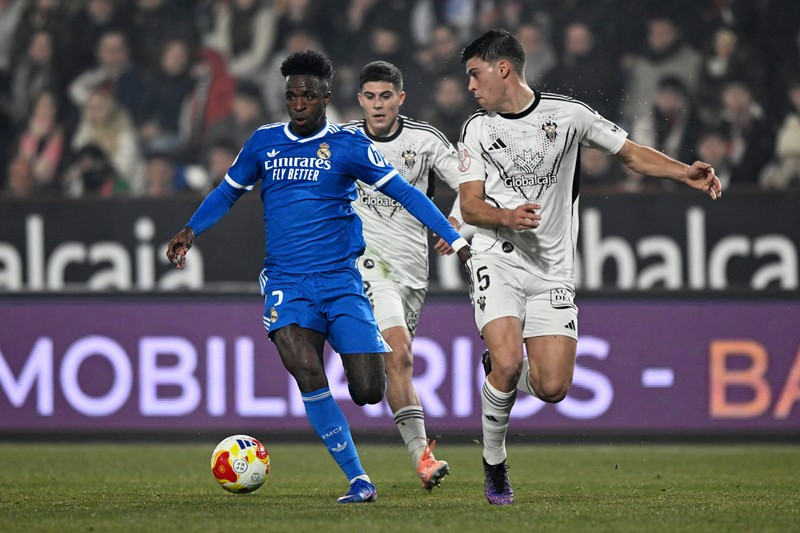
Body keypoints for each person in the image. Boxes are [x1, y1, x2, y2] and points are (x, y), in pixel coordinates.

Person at [165, 50, 470, 504]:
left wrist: (457, 241)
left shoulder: (349, 147)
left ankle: (367, 401)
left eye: (308, 95)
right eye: (292, 95)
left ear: (326, 97)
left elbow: (407, 194)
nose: (299, 103)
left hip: (342, 281)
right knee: (303, 365)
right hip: (288, 282)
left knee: (368, 389)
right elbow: (226, 194)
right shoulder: (264, 143)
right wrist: (191, 229)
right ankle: (358, 479)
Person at [457, 29, 721, 506]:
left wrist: (685, 172)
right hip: (499, 258)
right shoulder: (477, 128)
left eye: (475, 75)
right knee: (510, 361)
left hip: (554, 271)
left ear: (503, 69)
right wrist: (506, 217)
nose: (470, 87)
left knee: (552, 388)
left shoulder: (569, 116)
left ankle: (500, 367)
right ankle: (494, 465)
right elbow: (471, 207)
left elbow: (631, 154)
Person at [344, 60, 461, 491]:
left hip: (413, 268)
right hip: (365, 264)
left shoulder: (425, 142)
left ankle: (420, 458)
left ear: (401, 99)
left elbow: (471, 184)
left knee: (397, 363)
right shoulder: (345, 140)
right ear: (360, 100)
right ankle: (424, 458)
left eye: (386, 96)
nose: (378, 105)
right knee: (402, 351)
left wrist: (457, 224)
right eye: (370, 97)